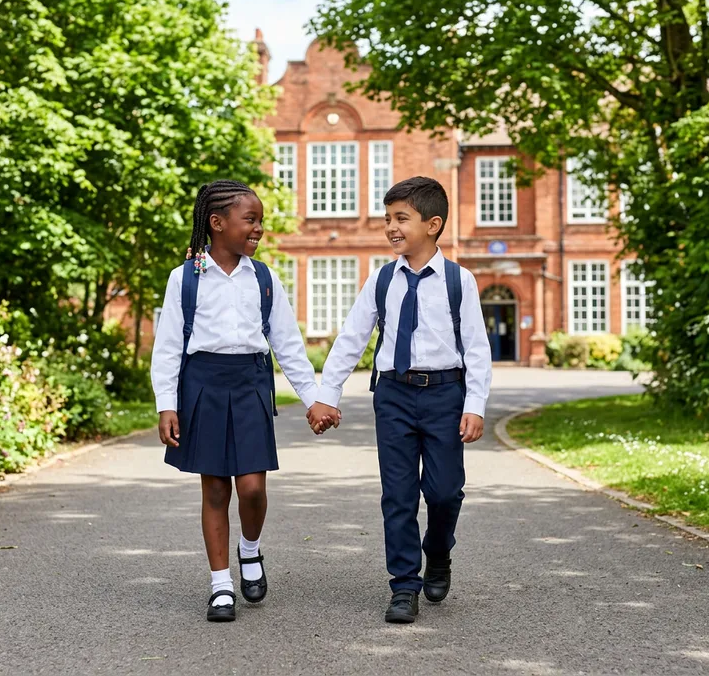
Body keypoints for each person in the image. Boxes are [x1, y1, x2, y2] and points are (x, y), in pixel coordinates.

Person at [307, 176, 492, 624]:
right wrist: (325, 395)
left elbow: (477, 346)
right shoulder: (382, 279)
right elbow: (352, 338)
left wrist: (475, 404)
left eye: (400, 219)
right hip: (392, 394)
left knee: (445, 493)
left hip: (446, 394)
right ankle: (404, 585)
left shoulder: (458, 280)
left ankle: (438, 552)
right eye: (387, 218)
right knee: (399, 494)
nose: (390, 227)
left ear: (433, 225)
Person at [151, 180, 318, 622]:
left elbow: (287, 343)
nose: (258, 228)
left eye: (260, 220)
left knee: (252, 487)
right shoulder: (184, 279)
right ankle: (220, 585)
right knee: (215, 489)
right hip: (202, 385)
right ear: (217, 223)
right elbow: (167, 346)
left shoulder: (263, 278)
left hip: (250, 385)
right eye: (251, 220)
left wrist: (313, 399)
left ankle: (251, 549)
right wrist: (167, 404)